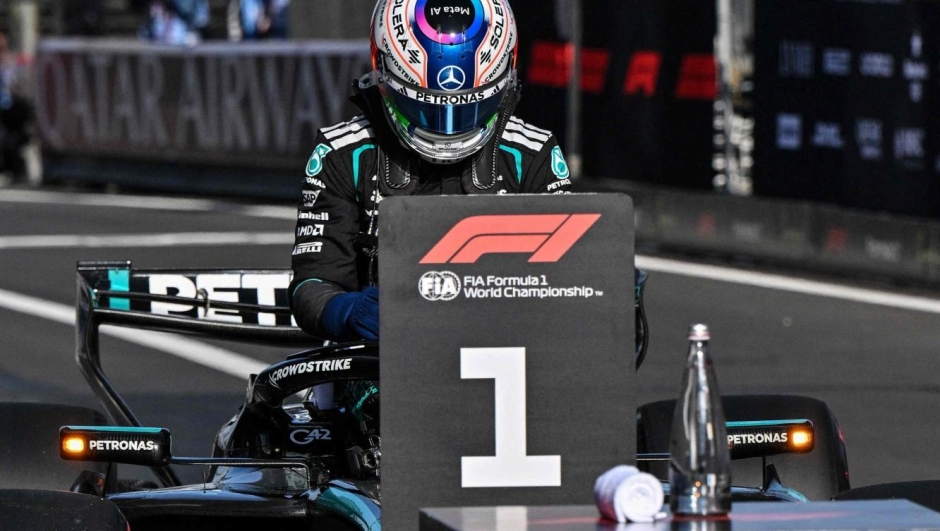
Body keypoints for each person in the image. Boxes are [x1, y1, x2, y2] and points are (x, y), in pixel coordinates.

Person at [289, 0, 573, 342]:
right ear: (381, 68)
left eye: (469, 104)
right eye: (424, 105)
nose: (448, 129)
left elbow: (569, 284)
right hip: (378, 362)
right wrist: (348, 311)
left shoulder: (532, 155)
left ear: (508, 71)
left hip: (504, 356)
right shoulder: (343, 153)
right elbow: (311, 282)